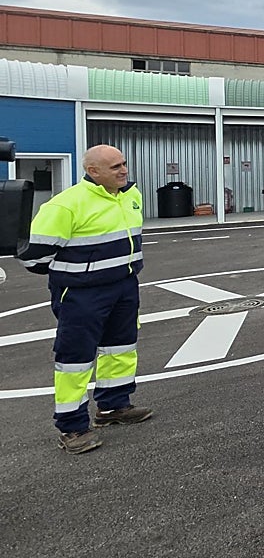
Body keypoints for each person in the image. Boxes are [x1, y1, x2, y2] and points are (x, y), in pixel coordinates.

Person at [18, 144, 153, 454]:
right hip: (81, 293)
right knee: (74, 360)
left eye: (124, 164)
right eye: (115, 166)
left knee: (121, 348)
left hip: (124, 285)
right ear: (93, 172)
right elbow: (34, 257)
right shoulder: (66, 205)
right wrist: (79, 274)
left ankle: (113, 406)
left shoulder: (130, 196)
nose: (124, 170)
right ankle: (72, 427)